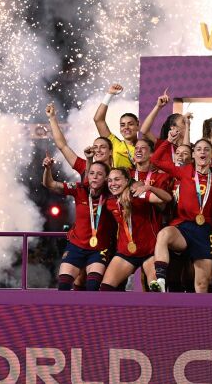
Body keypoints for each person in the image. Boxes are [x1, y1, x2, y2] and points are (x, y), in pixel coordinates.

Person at [149, 139, 212, 293]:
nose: (202, 152)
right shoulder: (184, 171)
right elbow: (155, 160)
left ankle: (201, 309)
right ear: (193, 155)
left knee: (202, 284)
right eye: (198, 149)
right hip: (184, 227)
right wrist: (169, 141)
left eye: (206, 149)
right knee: (164, 234)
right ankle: (161, 280)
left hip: (205, 231)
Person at [42, 157, 115, 291]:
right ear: (88, 175)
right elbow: (50, 184)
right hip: (76, 246)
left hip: (99, 249)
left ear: (106, 178)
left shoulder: (112, 194)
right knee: (63, 286)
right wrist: (47, 169)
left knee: (93, 286)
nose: (95, 177)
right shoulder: (79, 188)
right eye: (92, 173)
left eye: (99, 174)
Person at [99, 167, 172, 291]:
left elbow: (166, 198)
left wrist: (149, 188)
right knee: (105, 289)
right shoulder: (110, 202)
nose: (113, 184)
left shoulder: (138, 195)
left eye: (117, 179)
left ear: (127, 180)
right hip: (126, 253)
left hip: (149, 252)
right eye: (110, 180)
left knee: (156, 289)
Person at [46, 102, 113, 176]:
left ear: (111, 151)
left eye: (103, 147)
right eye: (95, 147)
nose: (98, 150)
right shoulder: (84, 166)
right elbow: (63, 146)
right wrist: (52, 118)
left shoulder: (119, 170)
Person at [93, 84, 141, 170]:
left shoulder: (145, 147)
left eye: (130, 124)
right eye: (122, 125)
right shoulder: (114, 143)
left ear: (138, 125)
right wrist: (109, 94)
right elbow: (98, 120)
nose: (126, 127)